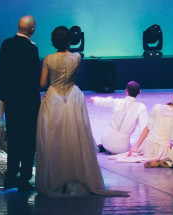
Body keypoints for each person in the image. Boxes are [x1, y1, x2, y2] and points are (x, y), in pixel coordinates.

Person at [36, 26, 127, 197]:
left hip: (54, 98)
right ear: (69, 41)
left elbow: (42, 84)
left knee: (54, 138)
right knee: (74, 137)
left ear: (53, 41)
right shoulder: (77, 57)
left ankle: (57, 180)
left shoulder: (48, 58)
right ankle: (73, 177)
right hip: (72, 97)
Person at [0, 15, 41, 191]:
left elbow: (2, 71)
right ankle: (24, 178)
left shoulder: (6, 44)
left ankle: (10, 177)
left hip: (11, 99)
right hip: (28, 101)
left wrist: (3, 96)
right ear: (32, 30)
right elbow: (34, 76)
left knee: (14, 138)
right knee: (28, 140)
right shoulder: (31, 49)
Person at [91, 81, 148, 155]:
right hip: (121, 148)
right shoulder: (141, 107)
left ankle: (106, 147)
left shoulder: (117, 102)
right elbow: (143, 129)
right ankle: (115, 147)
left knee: (120, 138)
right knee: (133, 142)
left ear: (126, 91)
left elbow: (95, 100)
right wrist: (138, 146)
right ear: (139, 92)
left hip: (105, 141)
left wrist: (100, 98)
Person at [127, 90, 173, 161]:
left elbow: (147, 128)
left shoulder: (157, 107)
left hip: (148, 146)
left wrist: (136, 146)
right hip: (163, 150)